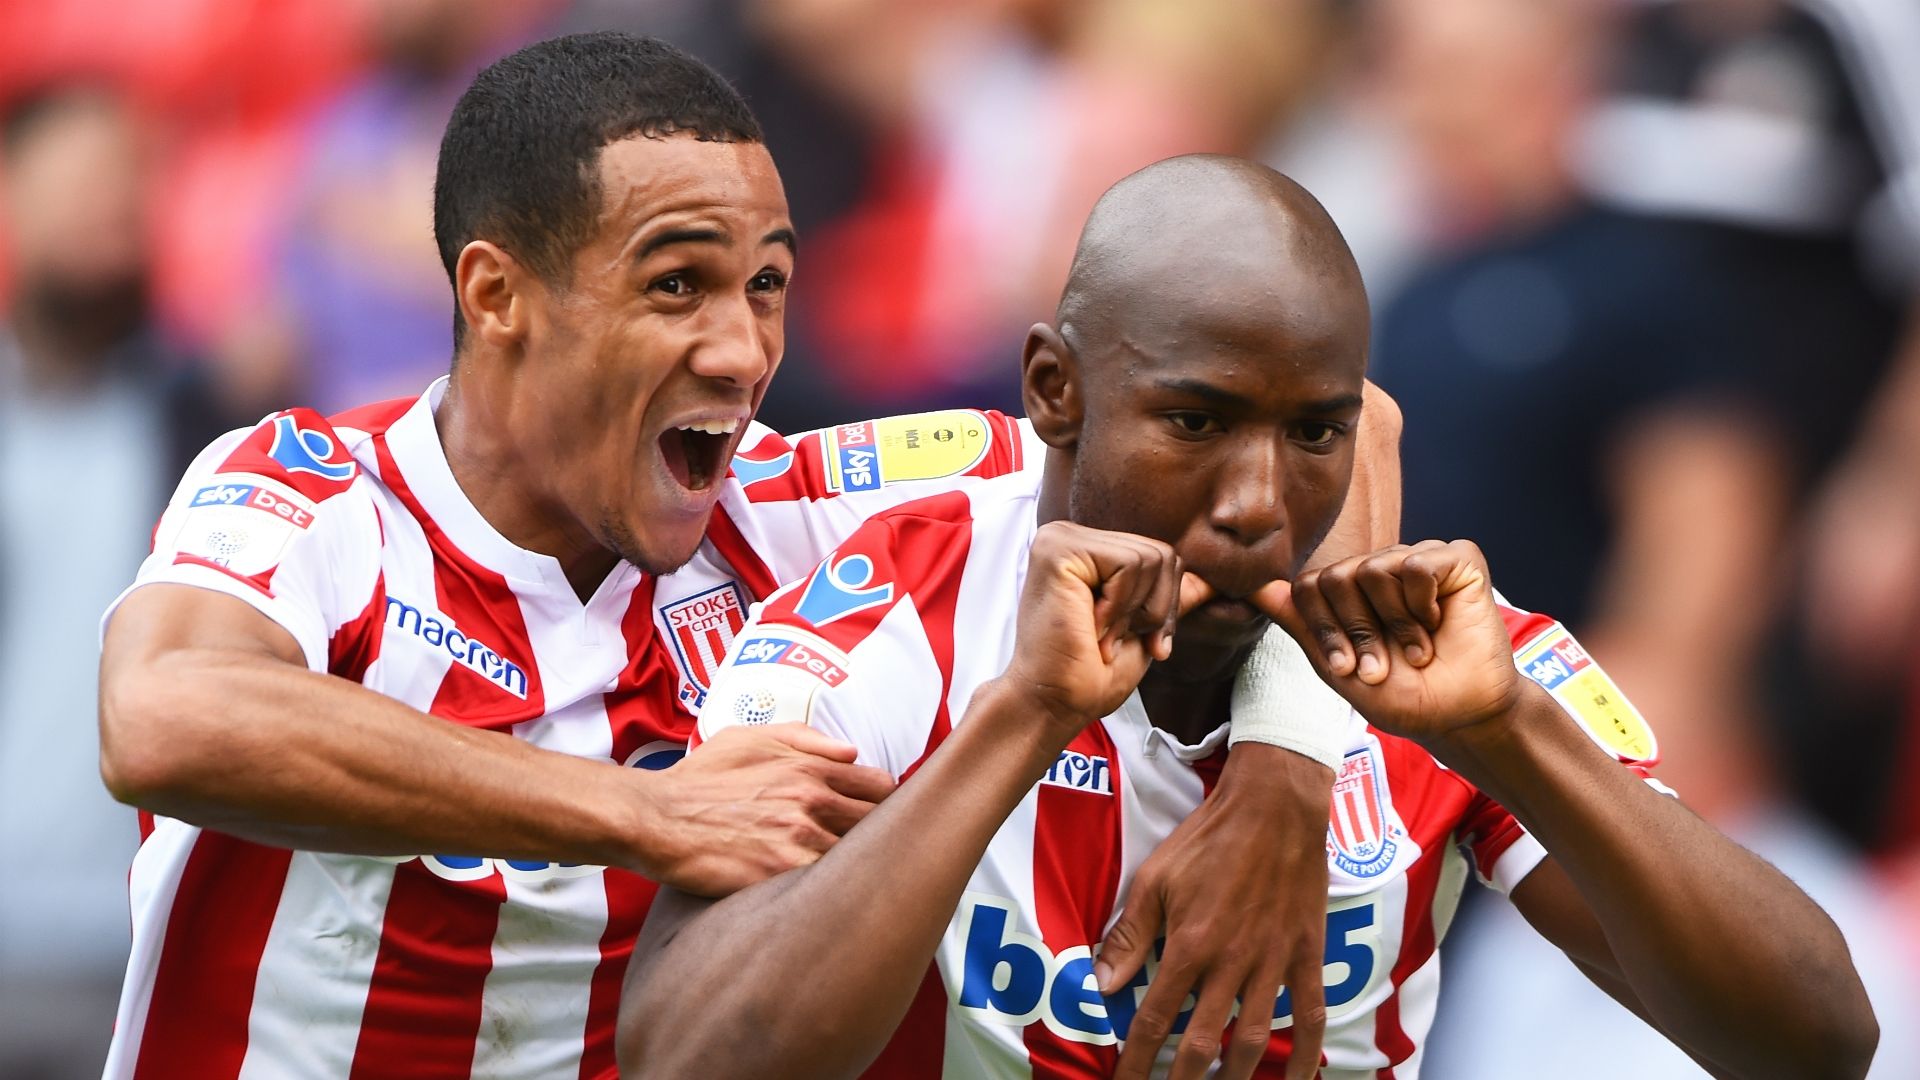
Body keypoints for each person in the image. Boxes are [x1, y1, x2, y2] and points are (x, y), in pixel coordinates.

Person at [94, 33, 1399, 1077]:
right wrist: (646, 810)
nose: (741, 349)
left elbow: (1345, 425)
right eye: (677, 286)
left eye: (766, 285)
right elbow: (167, 716)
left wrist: (1288, 759)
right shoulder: (316, 489)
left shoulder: (800, 504)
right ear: (496, 296)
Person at [616, 156, 1876, 1079]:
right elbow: (687, 1059)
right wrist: (1023, 721)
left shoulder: (1445, 664)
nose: (1259, 504)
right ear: (1057, 389)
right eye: (1197, 423)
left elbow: (1819, 1041)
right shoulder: (901, 592)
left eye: (1313, 431)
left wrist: (1507, 733)